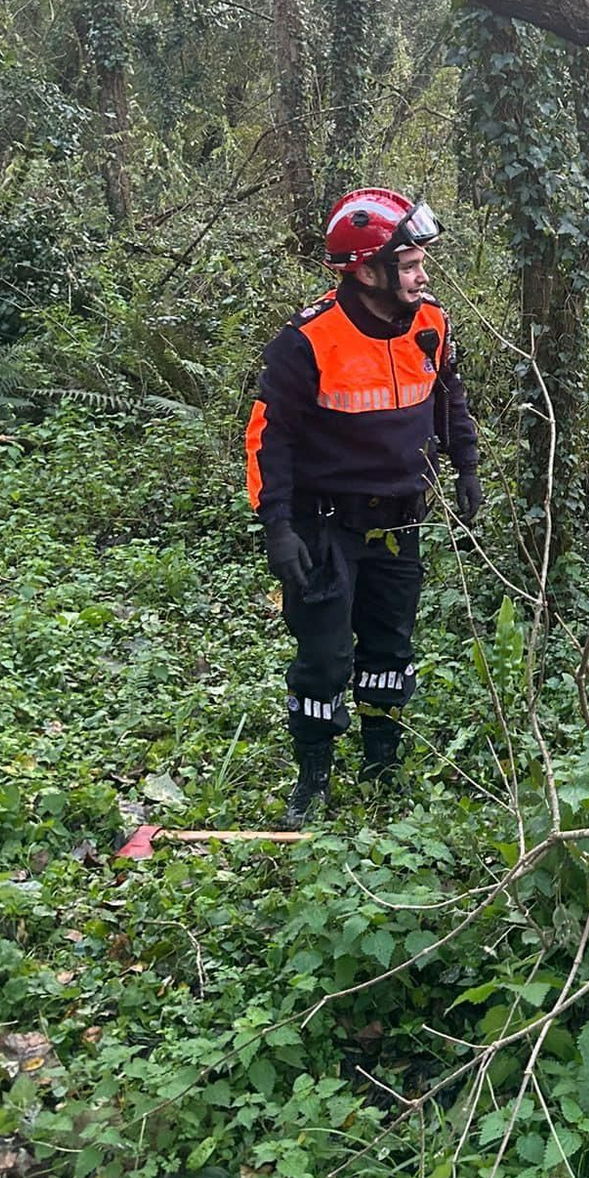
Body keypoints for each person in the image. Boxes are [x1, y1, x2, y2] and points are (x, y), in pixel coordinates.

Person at [245, 189, 483, 826]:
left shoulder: (431, 321)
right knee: (324, 657)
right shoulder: (307, 340)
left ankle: (381, 764)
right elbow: (269, 437)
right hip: (323, 524)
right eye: (409, 265)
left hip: (401, 516)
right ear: (367, 269)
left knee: (389, 648)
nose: (423, 275)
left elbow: (449, 393)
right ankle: (313, 777)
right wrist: (278, 528)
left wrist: (466, 467)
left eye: (420, 263)